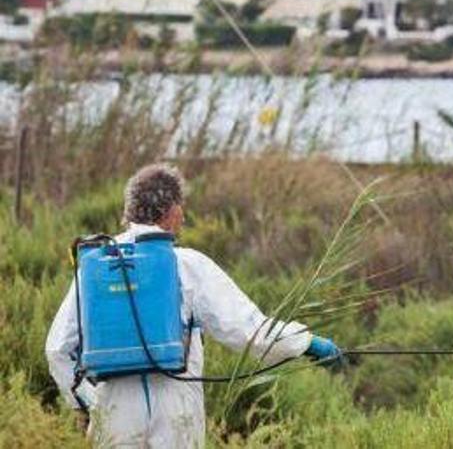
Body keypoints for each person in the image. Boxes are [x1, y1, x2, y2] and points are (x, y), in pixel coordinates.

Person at [45, 164, 342, 447]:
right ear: (171, 210)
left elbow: (57, 349)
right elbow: (248, 329)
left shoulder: (95, 265)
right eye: (181, 206)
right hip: (175, 410)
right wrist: (307, 343)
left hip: (114, 407)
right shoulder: (187, 265)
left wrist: (88, 402)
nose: (183, 215)